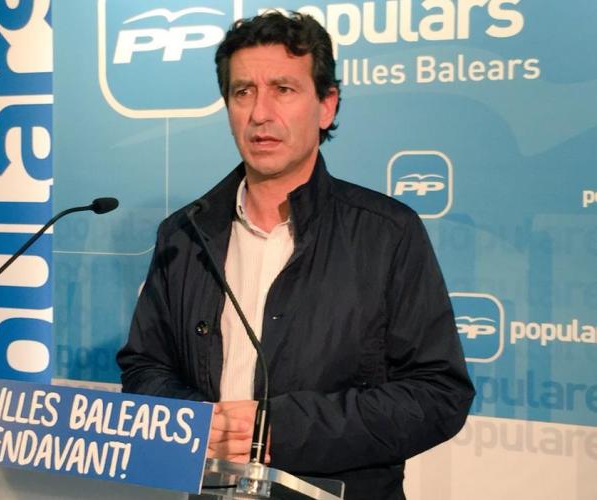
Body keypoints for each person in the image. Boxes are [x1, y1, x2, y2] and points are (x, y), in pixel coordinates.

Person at [117, 11, 474, 499]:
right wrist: (195, 421)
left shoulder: (387, 232)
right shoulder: (184, 233)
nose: (260, 113)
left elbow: (437, 396)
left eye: (283, 89)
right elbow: (144, 368)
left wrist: (276, 429)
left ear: (326, 106)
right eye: (243, 92)